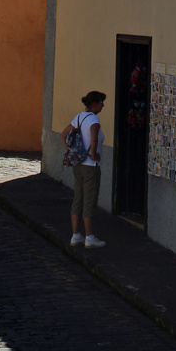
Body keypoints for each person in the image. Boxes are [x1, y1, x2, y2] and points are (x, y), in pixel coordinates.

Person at [61, 90, 107, 247]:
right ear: (94, 104)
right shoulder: (94, 119)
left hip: (78, 165)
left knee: (77, 199)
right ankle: (89, 237)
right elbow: (94, 138)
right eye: (101, 102)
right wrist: (93, 155)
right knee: (89, 201)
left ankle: (75, 235)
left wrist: (72, 150)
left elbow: (63, 134)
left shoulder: (79, 117)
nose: (103, 105)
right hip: (91, 167)